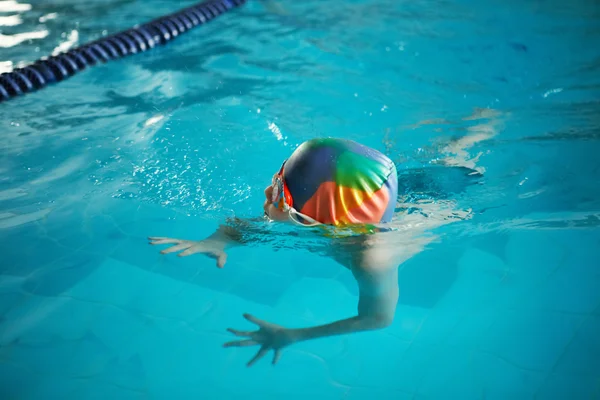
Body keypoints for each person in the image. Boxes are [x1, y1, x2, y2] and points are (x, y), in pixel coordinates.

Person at [149, 137, 408, 367]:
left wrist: (293, 334)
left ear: (308, 220)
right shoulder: (324, 219)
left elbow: (378, 317)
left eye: (280, 195)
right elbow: (251, 227)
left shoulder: (371, 260)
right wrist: (215, 241)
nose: (267, 192)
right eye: (277, 179)